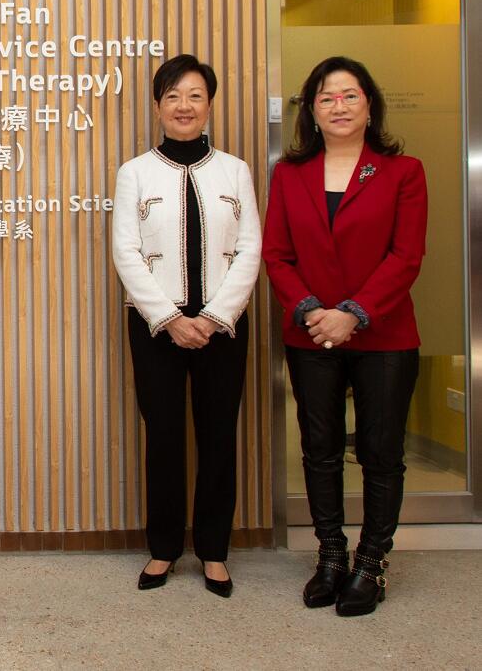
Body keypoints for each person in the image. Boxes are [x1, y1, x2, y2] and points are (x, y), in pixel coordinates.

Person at [263, 56, 427, 617]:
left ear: (369, 106)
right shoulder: (289, 174)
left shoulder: (403, 172)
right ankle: (331, 555)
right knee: (320, 449)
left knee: (381, 452)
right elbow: (277, 255)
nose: (339, 106)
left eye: (350, 95)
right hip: (311, 334)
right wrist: (314, 311)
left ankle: (371, 562)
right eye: (327, 97)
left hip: (385, 335)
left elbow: (406, 256)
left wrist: (353, 313)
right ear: (311, 110)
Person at [111, 53, 261, 598]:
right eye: (173, 96)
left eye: (195, 95)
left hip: (224, 326)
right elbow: (126, 252)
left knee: (219, 437)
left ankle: (214, 552)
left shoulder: (235, 170)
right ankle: (164, 548)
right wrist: (170, 318)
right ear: (158, 106)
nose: (184, 106)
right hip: (156, 327)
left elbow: (250, 247)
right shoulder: (135, 172)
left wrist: (217, 317)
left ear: (210, 105)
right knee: (164, 437)